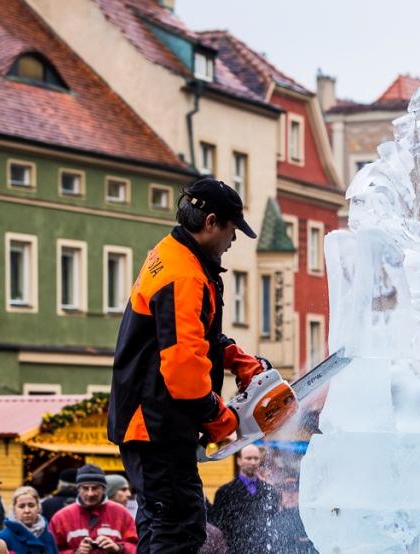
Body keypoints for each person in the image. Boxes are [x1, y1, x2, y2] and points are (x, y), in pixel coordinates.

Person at [108, 177, 270, 552]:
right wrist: (218, 416)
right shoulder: (184, 275)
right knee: (179, 528)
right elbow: (182, 369)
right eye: (232, 230)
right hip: (157, 424)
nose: (234, 239)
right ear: (211, 222)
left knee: (161, 524)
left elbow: (192, 335)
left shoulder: (175, 255)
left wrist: (235, 358)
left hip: (151, 420)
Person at [47, 464, 137, 553]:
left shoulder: (121, 514)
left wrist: (118, 548)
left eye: (95, 488)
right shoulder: (61, 518)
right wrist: (76, 552)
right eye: (85, 488)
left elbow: (137, 547)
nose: (90, 493)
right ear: (78, 488)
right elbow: (50, 550)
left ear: (104, 488)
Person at [209, 445, 279, 553]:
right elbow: (219, 525)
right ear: (239, 461)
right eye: (248, 458)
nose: (253, 462)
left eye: (256, 458)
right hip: (235, 549)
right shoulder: (225, 492)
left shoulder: (270, 491)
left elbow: (274, 523)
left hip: (263, 550)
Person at [0, 486, 57, 554]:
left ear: (38, 507)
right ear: (14, 509)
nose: (27, 511)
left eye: (31, 505)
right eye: (21, 506)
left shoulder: (48, 536)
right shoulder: (3, 537)